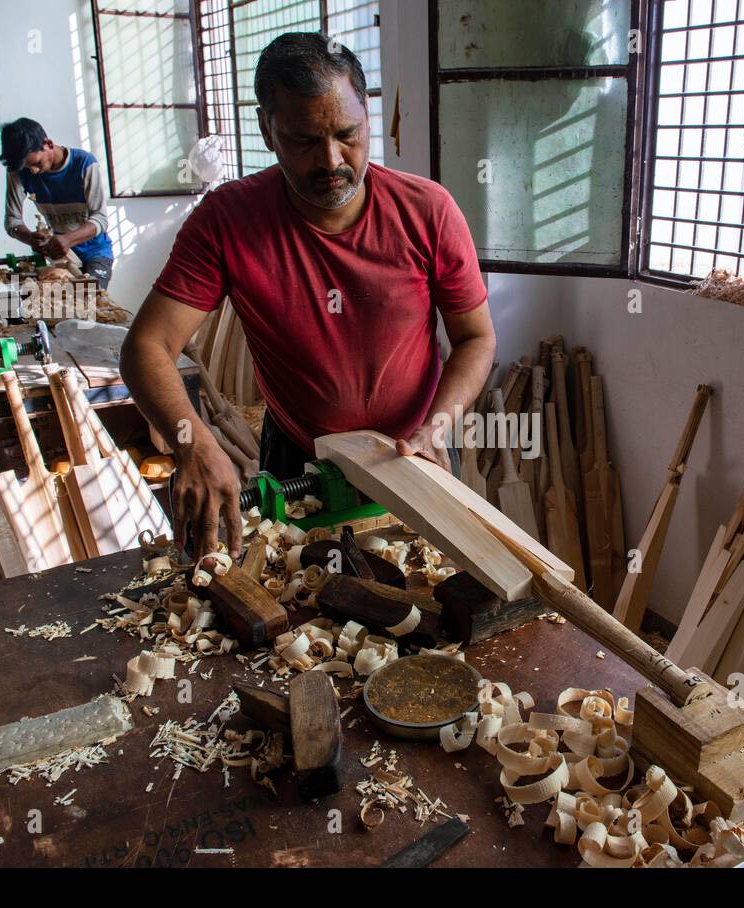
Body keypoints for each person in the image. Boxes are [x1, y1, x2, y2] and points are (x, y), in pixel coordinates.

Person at [121, 33, 496, 560]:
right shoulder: (227, 221)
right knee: (302, 610)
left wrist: (438, 426)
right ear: (267, 131)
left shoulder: (428, 210)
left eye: (348, 134)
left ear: (367, 115)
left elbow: (476, 337)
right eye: (303, 140)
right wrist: (193, 441)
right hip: (298, 458)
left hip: (415, 453)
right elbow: (146, 345)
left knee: (425, 598)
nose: (331, 160)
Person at [0, 118, 115, 288]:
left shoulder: (84, 163)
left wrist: (68, 239)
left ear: (48, 144)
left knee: (91, 298)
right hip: (58, 256)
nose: (33, 171)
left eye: (37, 163)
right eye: (27, 167)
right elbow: (12, 221)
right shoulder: (20, 170)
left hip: (95, 252)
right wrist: (31, 238)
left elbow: (101, 218)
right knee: (56, 304)